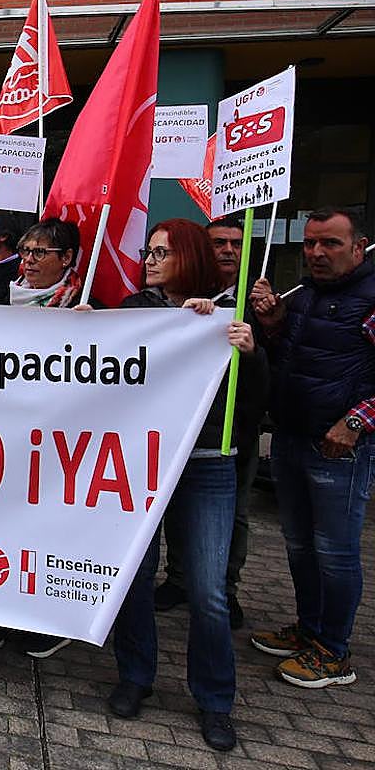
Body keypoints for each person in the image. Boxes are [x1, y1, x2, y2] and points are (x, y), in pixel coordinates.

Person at [108, 218, 259, 753]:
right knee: (136, 576)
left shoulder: (226, 315)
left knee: (209, 591)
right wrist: (80, 331)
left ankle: (215, 700)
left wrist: (248, 350)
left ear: (189, 256)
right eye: (148, 251)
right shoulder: (133, 311)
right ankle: (135, 676)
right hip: (143, 464)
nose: (150, 260)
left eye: (162, 252)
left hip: (206, 465)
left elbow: (261, 401)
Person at [248, 207, 373, 690]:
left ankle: (333, 652)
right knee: (300, 546)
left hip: (341, 448)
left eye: (331, 244)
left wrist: (356, 422)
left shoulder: (370, 299)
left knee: (335, 551)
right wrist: (276, 322)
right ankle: (309, 629)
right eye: (310, 243)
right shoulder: (303, 295)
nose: (317, 253)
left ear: (358, 247)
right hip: (292, 436)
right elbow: (294, 358)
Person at [0, 218, 88, 658]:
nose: (28, 260)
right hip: (3, 435)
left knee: (43, 532)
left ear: (68, 259)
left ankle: (44, 619)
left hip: (54, 442)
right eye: (25, 251)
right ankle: (0, 610)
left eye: (40, 253)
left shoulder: (85, 303)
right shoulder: (1, 294)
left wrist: (94, 329)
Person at [154, 216, 267, 629]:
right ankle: (178, 579)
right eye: (218, 242)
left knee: (222, 540)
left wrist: (259, 335)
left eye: (236, 244)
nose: (227, 251)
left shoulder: (250, 301)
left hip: (220, 443)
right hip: (158, 447)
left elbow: (262, 382)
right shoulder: (148, 305)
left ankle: (225, 589)